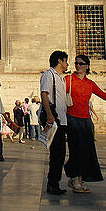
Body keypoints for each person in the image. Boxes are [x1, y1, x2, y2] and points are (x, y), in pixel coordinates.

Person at [64, 54, 106, 193]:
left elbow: (102, 94)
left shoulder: (89, 83)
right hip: (72, 118)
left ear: (87, 66)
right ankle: (75, 178)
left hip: (86, 120)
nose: (78, 66)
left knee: (87, 151)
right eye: (76, 63)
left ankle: (79, 179)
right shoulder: (68, 80)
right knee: (76, 150)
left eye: (81, 63)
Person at [40, 51, 70, 195]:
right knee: (57, 152)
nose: (67, 64)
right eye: (65, 61)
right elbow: (44, 94)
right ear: (59, 61)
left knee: (60, 152)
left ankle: (55, 182)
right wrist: (50, 115)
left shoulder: (61, 78)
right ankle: (52, 184)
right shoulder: (48, 75)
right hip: (54, 117)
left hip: (62, 119)